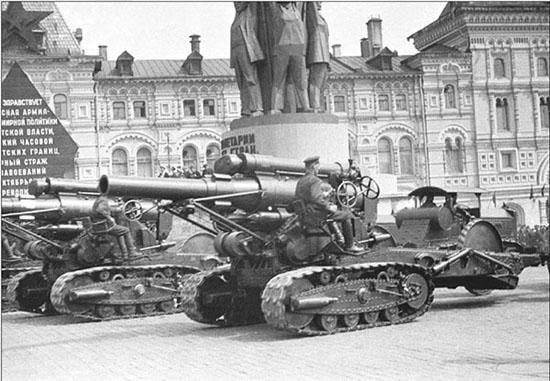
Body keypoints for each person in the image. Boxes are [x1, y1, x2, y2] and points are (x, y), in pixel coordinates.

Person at [295, 155, 363, 252]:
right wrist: (329, 207)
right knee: (347, 215)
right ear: (314, 166)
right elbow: (316, 199)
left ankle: (338, 240)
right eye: (318, 166)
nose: (319, 169)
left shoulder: (301, 181)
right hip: (315, 215)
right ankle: (350, 245)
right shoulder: (315, 180)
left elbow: (305, 197)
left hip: (304, 215)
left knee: (333, 213)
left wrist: (325, 194)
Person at [267, 2, 312, 114]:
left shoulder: (297, 9)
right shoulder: (275, 9)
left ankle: (306, 106)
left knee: (301, 79)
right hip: (282, 48)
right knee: (279, 79)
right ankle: (275, 107)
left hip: (298, 48)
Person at [230, 2, 264, 117]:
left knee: (251, 78)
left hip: (247, 48)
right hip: (236, 51)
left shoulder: (250, 13)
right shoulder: (236, 18)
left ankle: (257, 108)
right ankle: (246, 109)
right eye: (235, 2)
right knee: (242, 82)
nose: (237, 3)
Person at [91, 195, 139, 260]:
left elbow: (105, 209)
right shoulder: (103, 200)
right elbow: (100, 210)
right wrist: (109, 217)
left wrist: (117, 209)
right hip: (106, 227)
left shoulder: (98, 200)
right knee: (126, 230)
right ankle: (132, 252)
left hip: (99, 227)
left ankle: (125, 255)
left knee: (119, 232)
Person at [305, 1, 330, 112]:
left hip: (324, 55)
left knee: (321, 84)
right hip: (317, 53)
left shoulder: (321, 18)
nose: (321, 2)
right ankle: (315, 106)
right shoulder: (313, 16)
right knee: (315, 83)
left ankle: (318, 106)